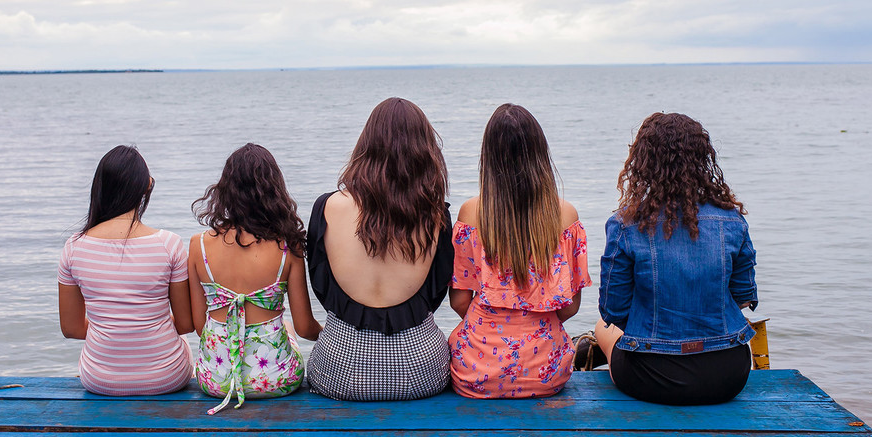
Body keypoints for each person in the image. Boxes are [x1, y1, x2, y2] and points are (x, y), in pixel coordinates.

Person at [594, 112, 758, 405]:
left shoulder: (625, 225)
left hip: (651, 375)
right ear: (703, 161)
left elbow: (613, 310)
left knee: (600, 329)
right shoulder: (732, 220)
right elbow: (743, 296)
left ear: (642, 163)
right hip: (728, 375)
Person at [305, 97, 453, 401]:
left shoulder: (327, 206)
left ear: (366, 145)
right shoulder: (436, 214)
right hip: (421, 370)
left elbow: (321, 284)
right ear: (425, 151)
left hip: (338, 369)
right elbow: (436, 292)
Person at [448, 104, 589, 398]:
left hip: (476, 372)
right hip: (546, 373)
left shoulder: (470, 213)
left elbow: (460, 301)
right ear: (540, 154)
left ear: (489, 156)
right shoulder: (565, 216)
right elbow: (570, 307)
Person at [189, 143, 321, 415]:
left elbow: (200, 326)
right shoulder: (287, 247)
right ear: (274, 190)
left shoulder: (198, 245)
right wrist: (332, 337)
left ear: (225, 190)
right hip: (275, 380)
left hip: (215, 381)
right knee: (286, 325)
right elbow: (305, 328)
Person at [58, 145, 194, 396]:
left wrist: (114, 329)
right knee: (180, 341)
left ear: (99, 187)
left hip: (99, 380)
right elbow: (185, 324)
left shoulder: (74, 247)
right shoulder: (169, 244)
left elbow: (71, 329)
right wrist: (147, 326)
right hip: (166, 378)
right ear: (147, 187)